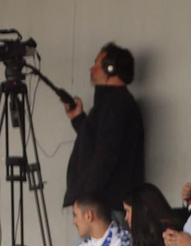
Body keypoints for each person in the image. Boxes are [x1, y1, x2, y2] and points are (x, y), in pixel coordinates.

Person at [61, 43, 145, 210]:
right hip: (104, 204)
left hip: (104, 207)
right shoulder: (114, 103)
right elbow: (97, 140)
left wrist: (88, 198)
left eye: (96, 64)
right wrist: (79, 118)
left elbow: (106, 155)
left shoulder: (116, 104)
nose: (91, 69)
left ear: (110, 68)